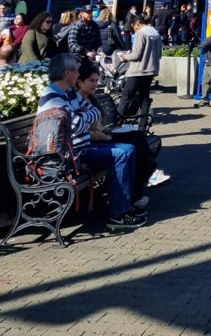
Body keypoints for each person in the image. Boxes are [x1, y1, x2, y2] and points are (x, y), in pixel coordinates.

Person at [37, 53, 144, 230]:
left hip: (82, 147)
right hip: (70, 156)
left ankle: (124, 206)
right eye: (77, 71)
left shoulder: (69, 92)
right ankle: (117, 215)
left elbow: (94, 112)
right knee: (121, 154)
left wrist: (83, 116)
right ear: (67, 74)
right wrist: (84, 117)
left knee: (130, 148)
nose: (79, 74)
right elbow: (77, 125)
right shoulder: (52, 98)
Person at [77, 59, 159, 209]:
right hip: (95, 141)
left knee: (137, 137)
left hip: (103, 134)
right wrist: (107, 136)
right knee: (132, 146)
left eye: (97, 80)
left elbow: (99, 126)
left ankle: (146, 175)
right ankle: (142, 184)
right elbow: (87, 131)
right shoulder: (78, 101)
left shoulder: (91, 98)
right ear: (80, 82)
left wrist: (108, 131)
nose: (95, 84)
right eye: (91, 81)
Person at [118, 15, 162, 129]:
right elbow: (160, 54)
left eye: (133, 26)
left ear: (137, 23)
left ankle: (116, 125)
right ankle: (143, 126)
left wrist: (125, 56)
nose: (133, 29)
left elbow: (136, 55)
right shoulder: (156, 33)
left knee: (125, 98)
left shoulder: (140, 33)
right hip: (151, 70)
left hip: (138, 71)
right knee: (144, 99)